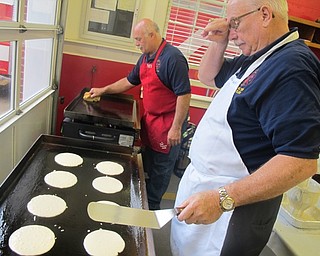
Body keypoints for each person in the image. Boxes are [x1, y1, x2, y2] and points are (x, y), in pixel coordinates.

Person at [170, 0, 320, 255]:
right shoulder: (257, 56)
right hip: (206, 191)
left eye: (235, 23)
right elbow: (207, 77)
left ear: (264, 14)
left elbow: (301, 162)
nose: (232, 32)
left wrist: (221, 198)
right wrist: (221, 41)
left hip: (232, 209)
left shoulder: (292, 67)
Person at [89, 19, 191, 210]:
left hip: (168, 124)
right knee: (149, 163)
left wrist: (176, 127)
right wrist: (103, 90)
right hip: (152, 120)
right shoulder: (145, 57)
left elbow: (184, 95)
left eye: (138, 39)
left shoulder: (172, 59)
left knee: (161, 169)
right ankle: (143, 199)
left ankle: (151, 208)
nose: (136, 43)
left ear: (151, 35)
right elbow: (129, 81)